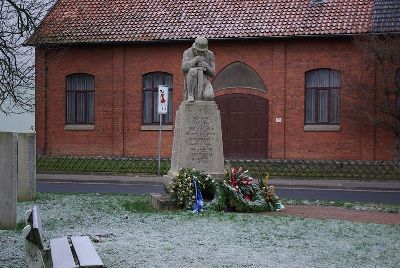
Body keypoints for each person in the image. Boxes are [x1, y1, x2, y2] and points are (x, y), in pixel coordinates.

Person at [181, 37, 216, 102]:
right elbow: (184, 68)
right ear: (195, 48)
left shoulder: (210, 54)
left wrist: (206, 65)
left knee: (209, 97)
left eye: (203, 51)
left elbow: (213, 74)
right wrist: (196, 59)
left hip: (204, 81)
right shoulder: (188, 52)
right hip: (191, 80)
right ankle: (190, 95)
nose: (201, 53)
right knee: (192, 71)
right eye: (199, 51)